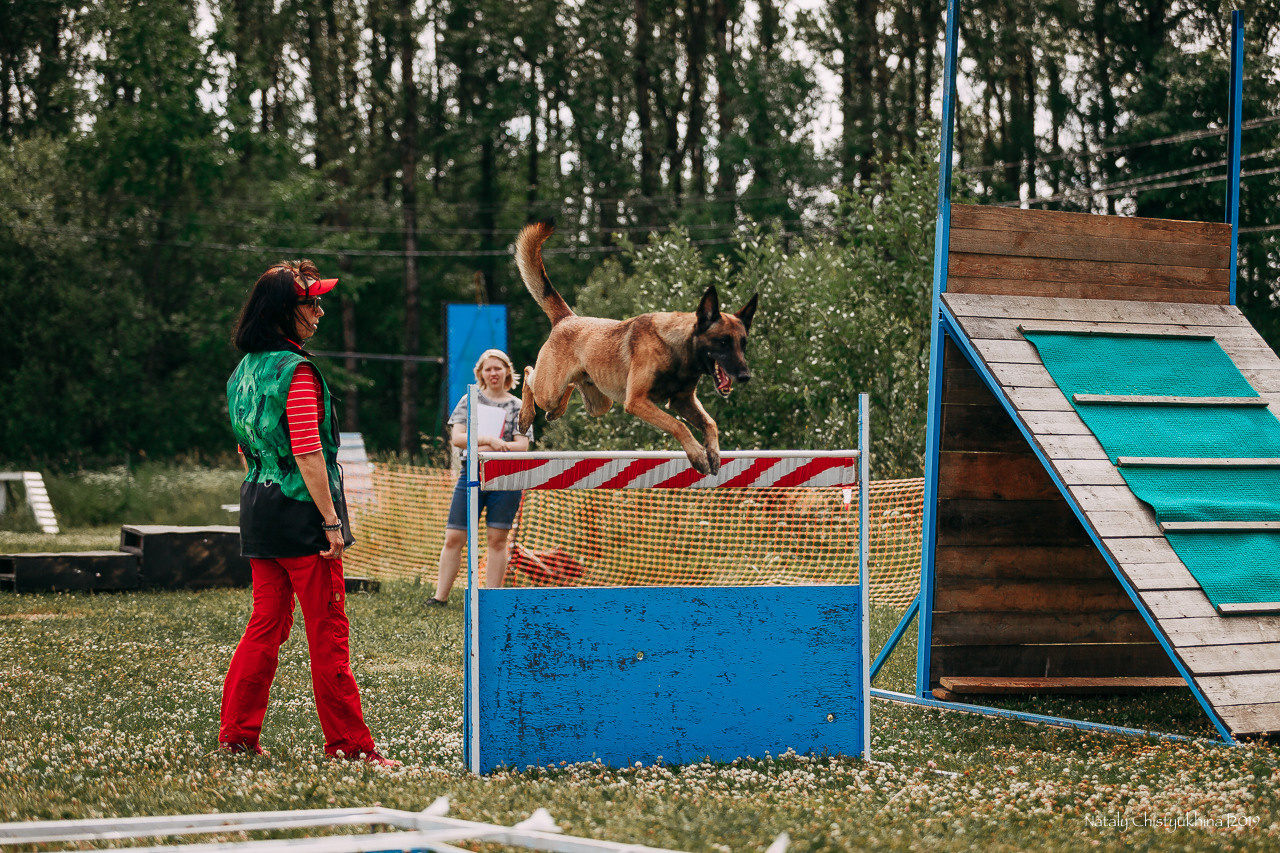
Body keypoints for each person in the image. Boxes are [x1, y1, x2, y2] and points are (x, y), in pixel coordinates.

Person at [220, 260, 399, 767]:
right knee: (328, 632)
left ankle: (236, 735)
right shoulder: (296, 370)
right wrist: (332, 521)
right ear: (284, 312)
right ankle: (351, 746)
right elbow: (307, 453)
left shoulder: (242, 373)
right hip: (302, 516)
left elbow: (244, 447)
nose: (320, 311)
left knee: (264, 626)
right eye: (311, 303)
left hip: (257, 508)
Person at [430, 349, 532, 606]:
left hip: (506, 476)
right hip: (470, 473)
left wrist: (499, 447)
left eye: (498, 368)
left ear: (507, 371)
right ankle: (440, 597)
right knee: (454, 537)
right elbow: (457, 438)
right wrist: (486, 440)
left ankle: (491, 599)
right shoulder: (469, 400)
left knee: (497, 540)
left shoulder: (518, 405)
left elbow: (523, 445)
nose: (493, 373)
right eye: (488, 368)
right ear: (480, 373)